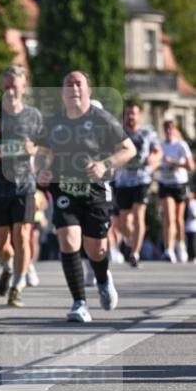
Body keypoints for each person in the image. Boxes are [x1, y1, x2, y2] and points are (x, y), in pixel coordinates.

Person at [36, 71, 136, 323]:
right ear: (62, 92)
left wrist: (105, 164)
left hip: (95, 191)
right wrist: (42, 170)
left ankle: (102, 278)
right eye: (68, 84)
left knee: (97, 249)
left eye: (78, 83)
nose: (73, 88)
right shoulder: (53, 122)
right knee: (68, 241)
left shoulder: (101, 118)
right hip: (64, 189)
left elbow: (128, 150)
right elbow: (42, 152)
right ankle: (79, 302)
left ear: (89, 91)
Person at [0, 65, 42, 308]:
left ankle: (17, 285)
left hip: (24, 184)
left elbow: (44, 146)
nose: (10, 90)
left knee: (23, 235)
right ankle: (8, 266)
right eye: (6, 85)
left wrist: (34, 150)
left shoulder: (33, 116)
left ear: (23, 86)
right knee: (2, 244)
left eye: (14, 85)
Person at [113, 101, 161, 267]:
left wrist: (153, 162)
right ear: (124, 116)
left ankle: (135, 253)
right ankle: (131, 240)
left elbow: (157, 151)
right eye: (128, 113)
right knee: (124, 222)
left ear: (139, 115)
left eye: (134, 113)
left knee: (139, 213)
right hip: (123, 181)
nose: (131, 116)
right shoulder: (118, 133)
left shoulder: (147, 133)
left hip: (142, 179)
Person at [156, 120, 194, 262]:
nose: (168, 131)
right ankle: (169, 249)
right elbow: (155, 161)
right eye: (166, 129)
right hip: (165, 184)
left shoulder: (181, 145)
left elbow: (190, 166)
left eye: (171, 129)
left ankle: (181, 245)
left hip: (179, 184)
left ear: (175, 130)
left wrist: (174, 162)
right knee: (168, 217)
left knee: (179, 219)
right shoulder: (160, 145)